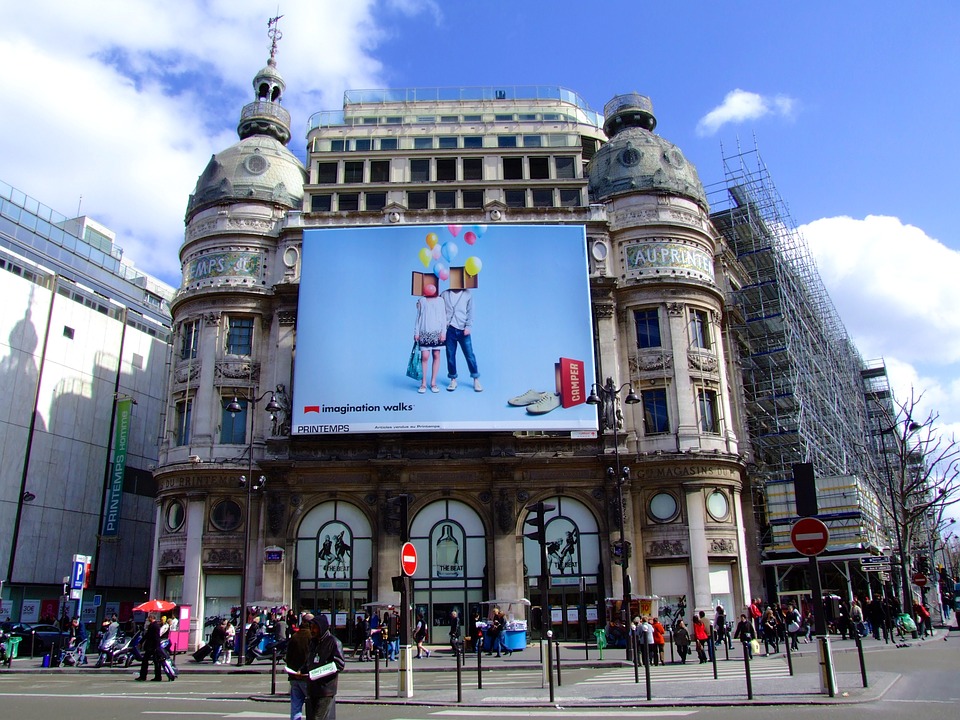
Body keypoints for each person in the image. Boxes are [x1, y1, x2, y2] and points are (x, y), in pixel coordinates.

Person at [304, 615, 345, 720]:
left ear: (321, 627)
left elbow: (339, 664)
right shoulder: (313, 642)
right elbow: (309, 660)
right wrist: (301, 671)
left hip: (325, 689)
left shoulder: (333, 642)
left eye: (314, 628)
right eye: (311, 627)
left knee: (317, 718)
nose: (312, 630)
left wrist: (319, 672)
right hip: (312, 687)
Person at [442, 286, 481, 392]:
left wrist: (468, 326)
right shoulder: (445, 294)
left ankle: (476, 379)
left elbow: (470, 311)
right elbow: (438, 307)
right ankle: (453, 379)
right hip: (449, 329)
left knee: (469, 355)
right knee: (450, 355)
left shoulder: (467, 293)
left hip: (463, 329)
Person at [414, 291, 447, 393]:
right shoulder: (422, 300)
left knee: (436, 354)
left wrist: (443, 332)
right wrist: (416, 332)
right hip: (424, 331)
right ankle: (423, 383)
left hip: (437, 332)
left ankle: (433, 382)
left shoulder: (441, 300)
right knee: (425, 356)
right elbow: (418, 317)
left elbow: (443, 317)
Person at [285, 613, 313, 720]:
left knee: (295, 707)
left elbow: (288, 656)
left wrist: (291, 672)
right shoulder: (312, 636)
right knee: (312, 705)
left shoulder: (295, 636)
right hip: (306, 676)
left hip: (294, 675)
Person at [136, 614, 164, 681]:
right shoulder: (155, 625)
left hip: (152, 647)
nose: (148, 619)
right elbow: (148, 635)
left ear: (152, 618)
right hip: (154, 646)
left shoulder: (154, 626)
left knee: (146, 661)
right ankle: (157, 677)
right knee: (155, 662)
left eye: (149, 618)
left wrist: (141, 642)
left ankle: (143, 676)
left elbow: (152, 636)